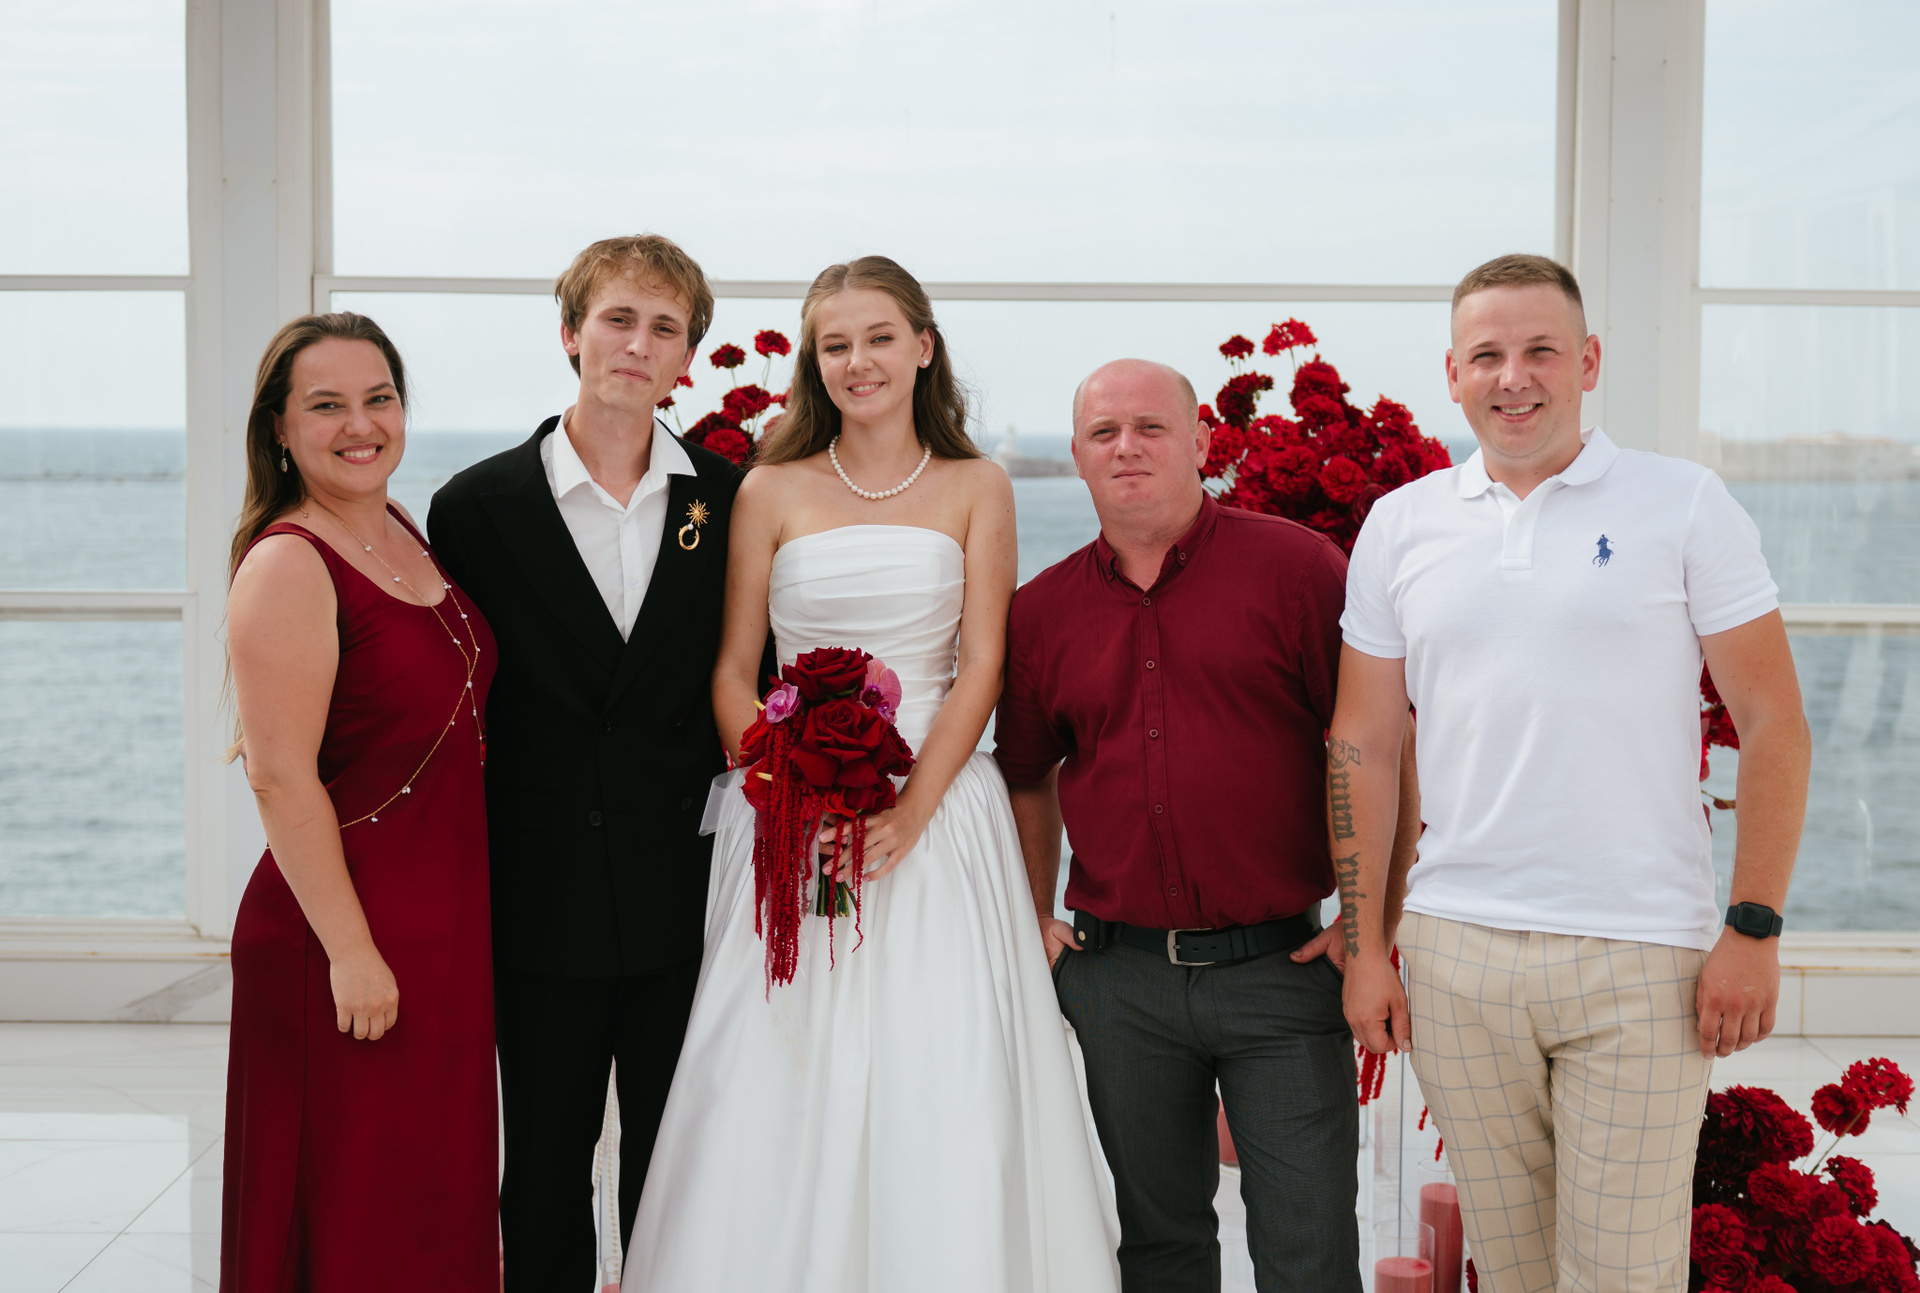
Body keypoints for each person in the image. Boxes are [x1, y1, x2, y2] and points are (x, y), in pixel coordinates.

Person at [623, 256, 1120, 1292]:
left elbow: (982, 664)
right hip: (787, 818)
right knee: (778, 1072)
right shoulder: (769, 488)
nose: (859, 361)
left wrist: (907, 813)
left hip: (939, 819)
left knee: (940, 1074)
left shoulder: (977, 484)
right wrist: (782, 790)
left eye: (880, 337)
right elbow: (734, 671)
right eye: (836, 343)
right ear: (815, 360)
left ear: (923, 346)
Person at [1333, 254, 1811, 1293]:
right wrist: (1367, 946)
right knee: (1512, 1271)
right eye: (1487, 355)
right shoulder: (1402, 525)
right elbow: (1362, 743)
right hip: (1457, 958)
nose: (1514, 377)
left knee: (1623, 1274)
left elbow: (1776, 725)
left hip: (1640, 956)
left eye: (1541, 350)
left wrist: (1754, 926)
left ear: (1588, 362)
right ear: (1452, 373)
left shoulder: (1684, 504)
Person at [996, 358, 1404, 1293]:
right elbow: (1024, 775)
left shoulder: (1298, 569)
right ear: (1077, 455)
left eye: (1150, 427)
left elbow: (1382, 747)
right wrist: (1031, 915)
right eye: (1104, 433)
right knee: (1159, 1249)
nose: (1127, 448)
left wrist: (1372, 923)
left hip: (1281, 977)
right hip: (1118, 982)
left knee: (1309, 1253)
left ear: (1202, 441)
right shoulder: (1043, 611)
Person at [427, 234, 747, 1289]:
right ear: (571, 333)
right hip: (539, 886)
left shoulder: (729, 499)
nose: (638, 344)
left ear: (687, 356)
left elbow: (753, 678)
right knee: (544, 1164)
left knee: (676, 1159)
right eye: (618, 319)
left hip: (682, 887)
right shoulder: (476, 508)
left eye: (665, 328)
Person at [222, 313, 498, 1289]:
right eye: (327, 405)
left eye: (379, 398)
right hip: (343, 937)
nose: (360, 425)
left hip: (439, 929)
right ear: (280, 428)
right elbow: (278, 774)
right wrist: (350, 952)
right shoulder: (289, 562)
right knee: (349, 1210)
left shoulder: (400, 528)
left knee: (425, 1198)